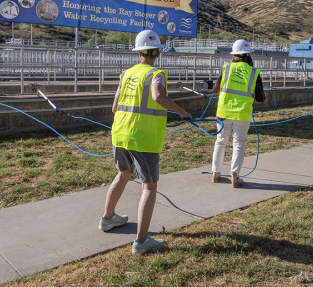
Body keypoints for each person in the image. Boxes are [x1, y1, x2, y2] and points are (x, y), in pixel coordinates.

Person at [99, 29, 192, 255]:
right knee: (149, 186)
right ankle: (141, 241)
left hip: (120, 133)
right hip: (143, 138)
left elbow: (114, 106)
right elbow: (158, 96)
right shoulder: (156, 73)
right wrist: (182, 111)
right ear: (158, 51)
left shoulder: (127, 73)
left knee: (123, 174)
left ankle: (108, 219)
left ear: (138, 52)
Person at [211, 39, 265, 187]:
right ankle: (235, 176)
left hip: (223, 112)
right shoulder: (254, 73)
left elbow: (215, 89)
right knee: (239, 145)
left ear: (234, 54)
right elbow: (261, 98)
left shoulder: (226, 68)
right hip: (242, 114)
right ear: (248, 55)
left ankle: (215, 173)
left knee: (220, 142)